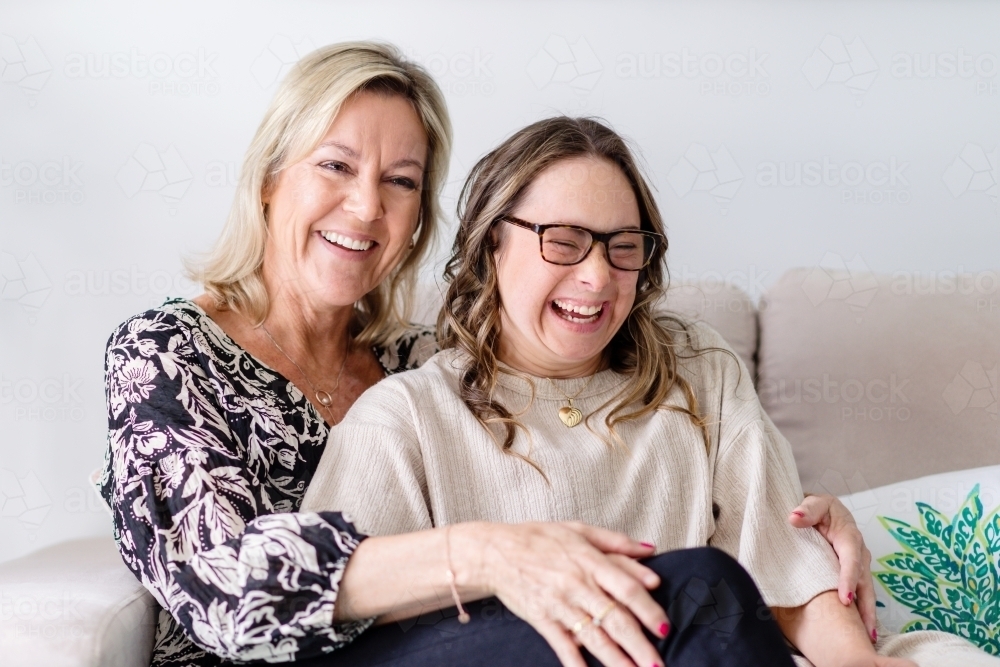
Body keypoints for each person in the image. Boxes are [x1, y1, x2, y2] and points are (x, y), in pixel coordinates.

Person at [99, 42, 878, 667]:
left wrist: (805, 532)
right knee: (695, 590)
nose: (367, 205)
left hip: (466, 641)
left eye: (401, 182)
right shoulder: (167, 354)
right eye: (335, 165)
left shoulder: (421, 357)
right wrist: (488, 551)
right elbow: (225, 591)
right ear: (271, 178)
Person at [302, 116, 1000, 667]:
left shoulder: (699, 371)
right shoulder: (407, 413)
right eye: (564, 240)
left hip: (699, 652)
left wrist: (853, 660)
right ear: (492, 245)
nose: (598, 277)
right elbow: (329, 610)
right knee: (702, 585)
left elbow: (782, 559)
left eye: (623, 246)